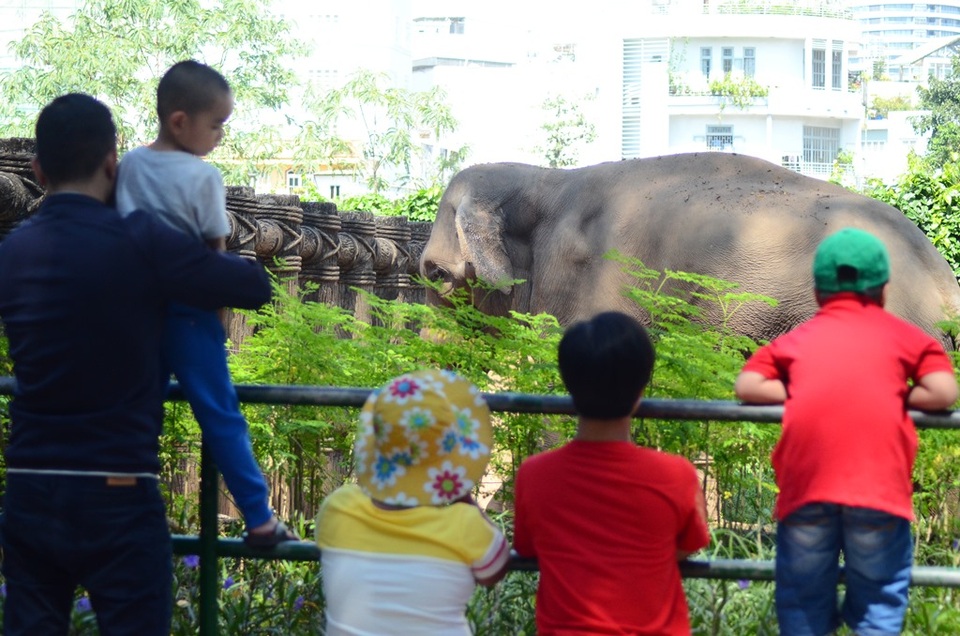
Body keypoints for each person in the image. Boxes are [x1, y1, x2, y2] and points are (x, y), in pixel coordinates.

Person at [0, 93, 275, 634]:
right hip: (118, 489)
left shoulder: (13, 252)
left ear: (36, 170)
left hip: (31, 486)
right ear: (111, 163)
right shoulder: (143, 241)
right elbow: (253, 287)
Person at [735, 227, 959, 636]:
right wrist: (893, 395)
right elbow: (943, 392)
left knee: (803, 604)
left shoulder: (798, 339)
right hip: (879, 498)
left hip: (805, 497)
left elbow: (747, 386)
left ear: (818, 292)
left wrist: (799, 390)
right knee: (878, 604)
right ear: (884, 290)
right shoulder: (906, 337)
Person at [114, 60, 294, 544]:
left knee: (135, 413)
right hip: (192, 316)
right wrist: (218, 329)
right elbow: (214, 260)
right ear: (181, 121)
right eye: (216, 125)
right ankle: (259, 518)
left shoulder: (130, 164)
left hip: (134, 313)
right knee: (220, 413)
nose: (219, 136)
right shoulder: (204, 178)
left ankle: (126, 514)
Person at [513, 311, 711, 635]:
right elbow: (690, 543)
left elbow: (528, 546)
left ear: (568, 382)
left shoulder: (534, 476)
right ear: (640, 389)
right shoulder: (677, 475)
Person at [316, 369, 510, 635]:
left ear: (376, 444)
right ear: (450, 460)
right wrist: (459, 489)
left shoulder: (339, 509)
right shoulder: (464, 526)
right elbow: (494, 571)